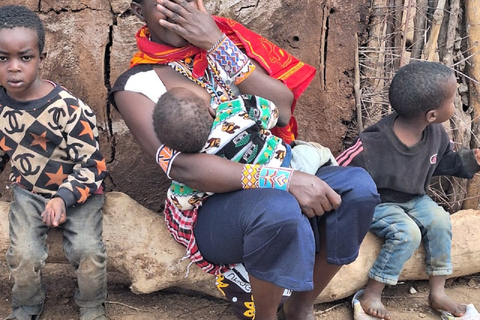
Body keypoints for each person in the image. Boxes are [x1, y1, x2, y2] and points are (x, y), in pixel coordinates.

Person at [110, 1, 380, 319]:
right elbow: (183, 167)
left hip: (275, 168)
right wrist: (285, 180)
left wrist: (216, 44)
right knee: (277, 209)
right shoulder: (136, 84)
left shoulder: (228, 47)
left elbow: (281, 110)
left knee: (358, 188)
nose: (177, 10)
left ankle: (301, 306)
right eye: (164, 2)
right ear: (139, 11)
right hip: (210, 206)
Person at [336, 61, 480, 320]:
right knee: (407, 233)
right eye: (451, 101)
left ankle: (437, 292)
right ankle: (373, 292)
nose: (455, 105)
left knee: (440, 220)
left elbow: (441, 161)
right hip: (378, 202)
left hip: (414, 199)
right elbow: (338, 169)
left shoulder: (435, 133)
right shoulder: (372, 145)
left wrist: (471, 160)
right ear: (432, 114)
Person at [0, 5, 108, 320]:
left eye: (25, 57)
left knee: (88, 252)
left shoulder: (70, 109)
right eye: (2, 58)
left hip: (79, 194)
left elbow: (93, 166)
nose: (14, 68)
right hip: (29, 192)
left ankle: (91, 305)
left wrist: (64, 197)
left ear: (42, 59)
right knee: (22, 254)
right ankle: (28, 305)